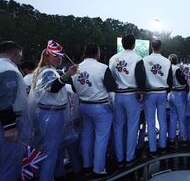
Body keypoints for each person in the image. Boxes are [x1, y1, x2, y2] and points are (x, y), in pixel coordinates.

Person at [30, 40, 78, 181]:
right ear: (47, 56)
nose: (60, 58)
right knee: (50, 152)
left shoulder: (44, 71)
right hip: (51, 115)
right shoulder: (47, 72)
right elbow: (52, 88)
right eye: (56, 55)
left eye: (60, 56)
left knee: (49, 150)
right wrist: (68, 75)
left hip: (47, 114)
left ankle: (51, 175)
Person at [72, 43, 116, 178]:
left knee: (86, 136)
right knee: (101, 138)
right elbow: (111, 87)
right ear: (97, 53)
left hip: (84, 106)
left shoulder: (75, 68)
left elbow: (74, 89)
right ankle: (99, 169)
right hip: (100, 106)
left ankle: (87, 166)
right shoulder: (102, 68)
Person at [109, 35, 146, 165]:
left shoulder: (113, 58)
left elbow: (111, 77)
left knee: (118, 127)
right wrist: (141, 92)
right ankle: (129, 157)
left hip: (118, 95)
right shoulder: (137, 58)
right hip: (132, 95)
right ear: (134, 44)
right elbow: (140, 78)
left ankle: (119, 158)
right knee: (132, 127)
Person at [0, 41, 27, 181]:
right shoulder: (8, 69)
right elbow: (6, 98)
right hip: (7, 123)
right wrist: (10, 126)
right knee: (10, 165)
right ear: (16, 54)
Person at [142, 40, 172, 157]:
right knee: (162, 120)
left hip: (150, 93)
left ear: (151, 47)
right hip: (162, 92)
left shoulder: (145, 60)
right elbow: (170, 80)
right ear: (161, 47)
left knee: (151, 122)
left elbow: (142, 77)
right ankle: (163, 146)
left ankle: (152, 148)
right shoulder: (167, 61)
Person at [167, 54, 187, 148]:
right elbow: (183, 81)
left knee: (173, 118)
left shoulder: (167, 68)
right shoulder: (177, 69)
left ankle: (171, 139)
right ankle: (183, 139)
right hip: (179, 94)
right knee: (181, 119)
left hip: (171, 93)